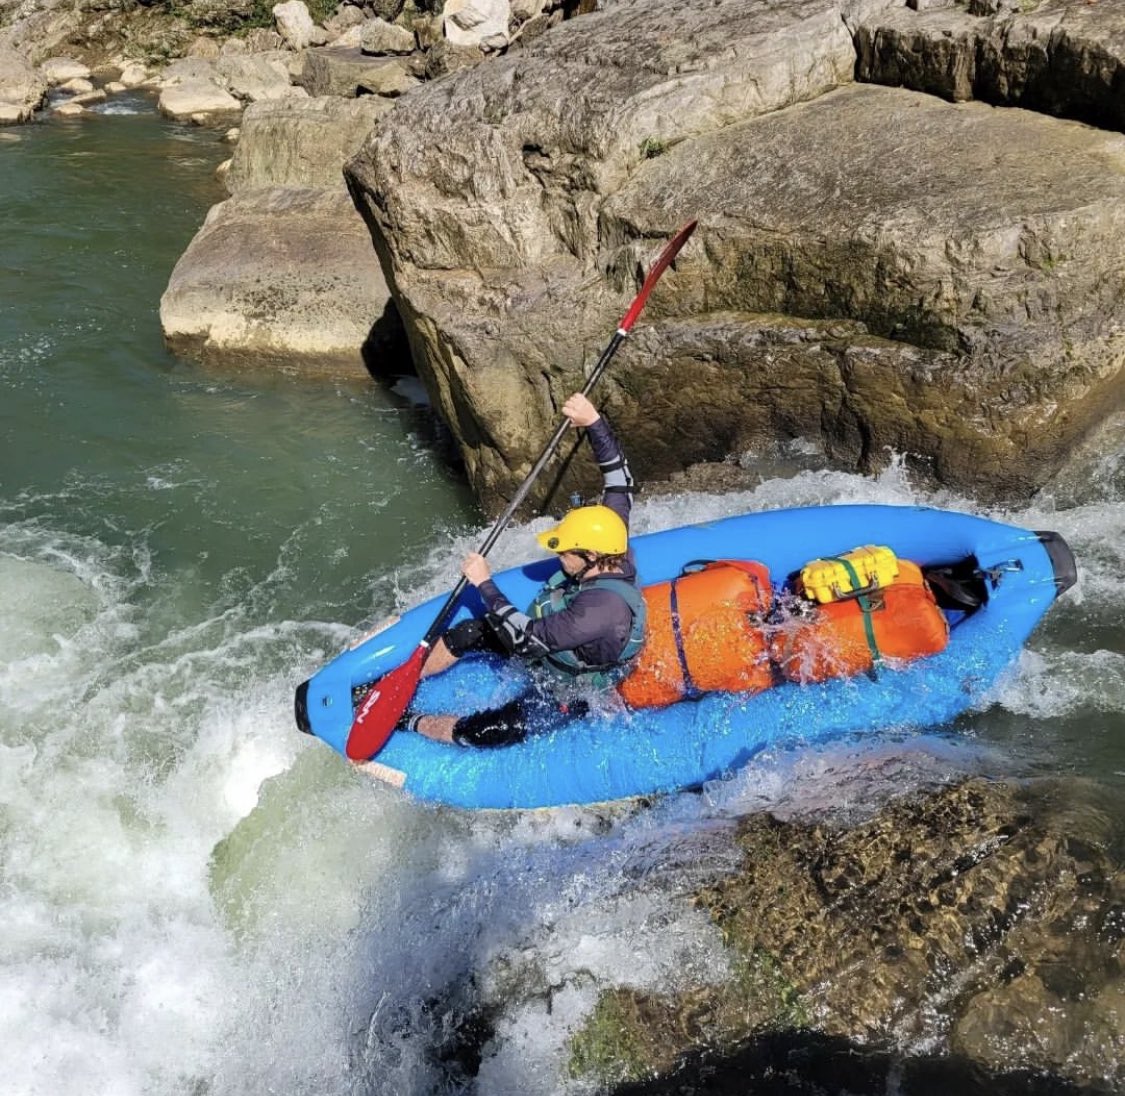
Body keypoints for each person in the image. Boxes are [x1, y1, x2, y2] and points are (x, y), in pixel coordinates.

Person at [404, 392, 646, 747]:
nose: (559, 554)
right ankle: (406, 680)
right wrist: (594, 422)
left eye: (564, 550)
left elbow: (525, 639)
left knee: (485, 733)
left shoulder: (597, 612)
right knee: (469, 633)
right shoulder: (611, 536)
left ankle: (409, 722)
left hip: (571, 686)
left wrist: (485, 583)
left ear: (591, 555)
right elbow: (619, 480)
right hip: (557, 638)